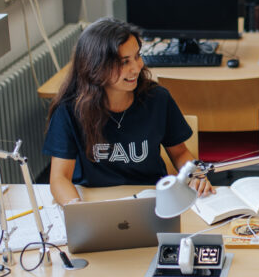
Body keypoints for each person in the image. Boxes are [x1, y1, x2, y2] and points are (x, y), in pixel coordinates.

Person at [43, 17, 213, 206]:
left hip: (151, 200)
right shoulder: (69, 110)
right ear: (95, 67)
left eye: (137, 56)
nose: (136, 67)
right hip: (95, 200)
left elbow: (180, 153)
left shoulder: (157, 99)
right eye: (124, 62)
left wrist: (195, 175)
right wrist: (77, 210)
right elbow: (59, 178)